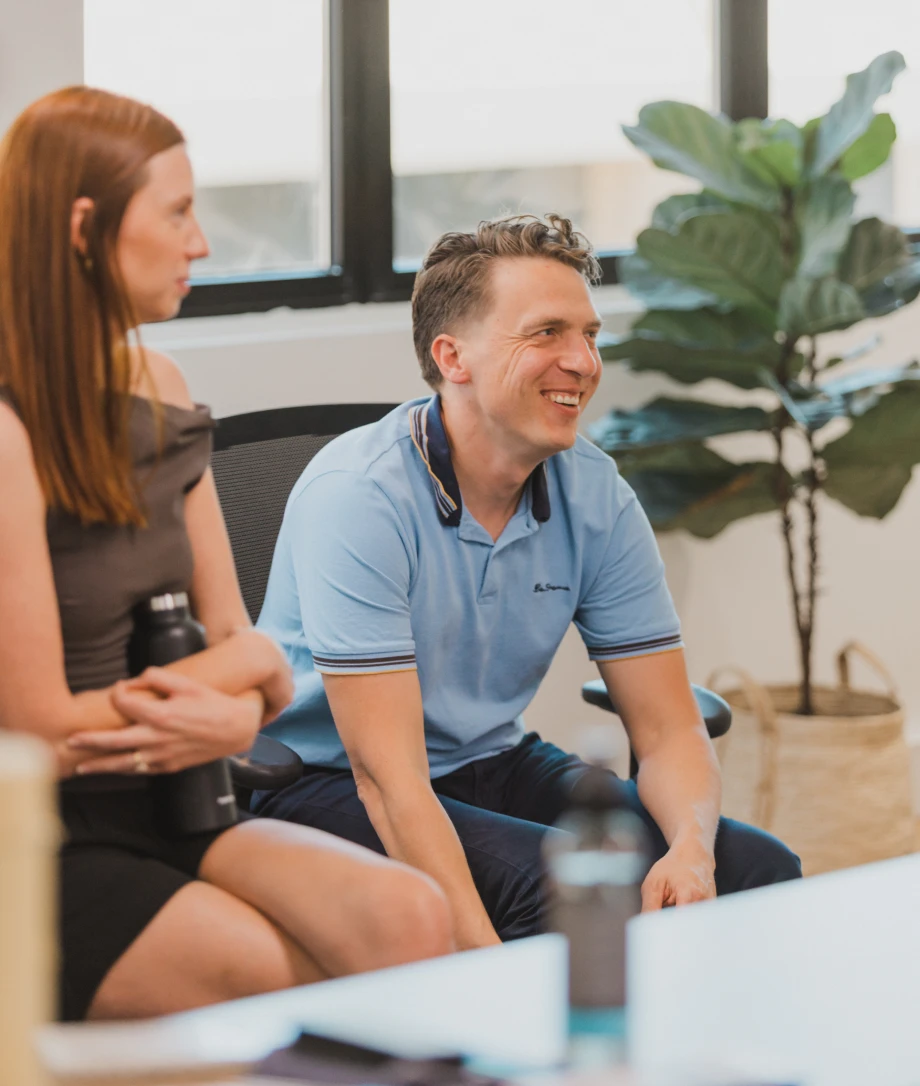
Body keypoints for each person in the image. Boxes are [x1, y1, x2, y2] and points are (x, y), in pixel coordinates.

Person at [0, 86, 453, 1023]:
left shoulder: (161, 389)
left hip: (179, 804)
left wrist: (227, 701)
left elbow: (261, 661)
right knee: (271, 973)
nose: (200, 242)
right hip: (41, 842)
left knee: (411, 915)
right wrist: (224, 691)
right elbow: (40, 731)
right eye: (176, 212)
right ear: (86, 227)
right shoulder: (8, 430)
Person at [256, 213, 802, 949]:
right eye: (546, 333)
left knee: (759, 872)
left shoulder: (595, 493)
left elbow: (670, 728)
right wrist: (485, 972)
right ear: (453, 357)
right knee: (569, 894)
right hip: (321, 783)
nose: (582, 361)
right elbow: (388, 781)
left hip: (491, 758)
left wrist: (691, 853)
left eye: (589, 335)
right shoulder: (359, 495)